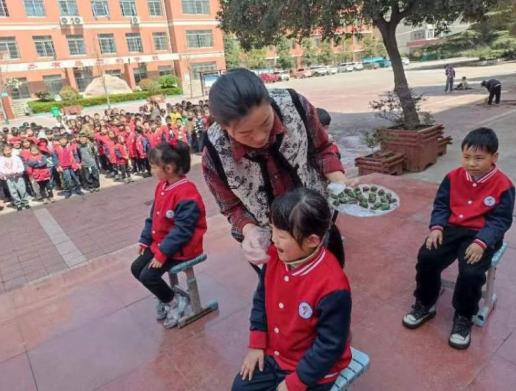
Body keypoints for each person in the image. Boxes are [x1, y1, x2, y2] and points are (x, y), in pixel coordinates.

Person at [202, 68, 353, 269]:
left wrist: (339, 182)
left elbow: (322, 149)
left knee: (331, 284)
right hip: (273, 246)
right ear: (224, 127)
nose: (259, 137)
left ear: (269, 102)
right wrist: (250, 232)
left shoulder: (296, 106)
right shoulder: (214, 154)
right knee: (282, 297)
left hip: (318, 225)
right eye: (245, 133)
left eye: (266, 123)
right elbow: (231, 207)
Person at [402, 127, 514, 350]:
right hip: (452, 228)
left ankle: (463, 315)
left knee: (471, 271)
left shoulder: (504, 185)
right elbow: (442, 205)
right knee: (427, 257)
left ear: (494, 157)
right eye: (467, 157)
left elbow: (500, 220)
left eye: (479, 158)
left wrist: (482, 242)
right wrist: (436, 227)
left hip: (482, 234)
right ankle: (425, 302)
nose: (472, 163)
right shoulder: (452, 177)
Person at [232, 188, 351, 391]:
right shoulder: (274, 258)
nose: (274, 240)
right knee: (240, 388)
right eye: (272, 230)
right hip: (276, 356)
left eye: (281, 235)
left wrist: (295, 382)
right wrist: (257, 344)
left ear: (312, 240)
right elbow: (261, 299)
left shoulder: (333, 286)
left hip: (313, 368)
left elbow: (329, 346)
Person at [131, 141, 207, 329]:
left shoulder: (186, 192)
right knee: (136, 268)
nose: (151, 170)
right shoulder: (162, 186)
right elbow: (153, 217)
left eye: (154, 166)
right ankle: (168, 296)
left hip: (182, 248)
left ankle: (175, 302)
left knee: (148, 276)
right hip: (163, 244)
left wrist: (162, 252)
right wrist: (145, 239)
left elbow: (183, 230)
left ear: (169, 168)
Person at [0, 144, 30, 211]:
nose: (8, 151)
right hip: (9, 178)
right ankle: (18, 203)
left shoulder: (16, 157)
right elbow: (1, 169)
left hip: (18, 176)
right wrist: (7, 173)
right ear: (3, 151)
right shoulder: (1, 159)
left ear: (11, 150)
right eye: (6, 150)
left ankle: (25, 202)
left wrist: (18, 171)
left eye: (9, 149)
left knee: (22, 189)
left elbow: (21, 166)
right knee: (13, 191)